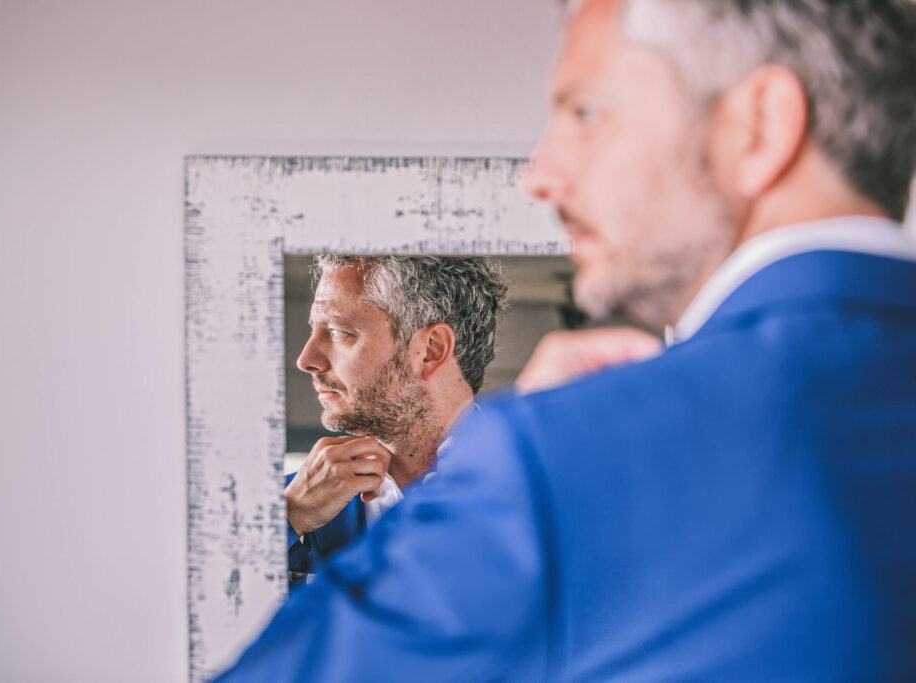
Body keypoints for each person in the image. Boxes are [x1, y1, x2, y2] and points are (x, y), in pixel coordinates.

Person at [215, 0, 916, 679]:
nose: (540, 174)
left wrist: (531, 454)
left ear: (758, 127)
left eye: (586, 112)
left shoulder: (563, 454)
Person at [285, 254, 508, 584]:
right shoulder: (279, 508)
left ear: (430, 350)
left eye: (337, 331)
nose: (307, 360)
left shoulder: (548, 496)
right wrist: (288, 519)